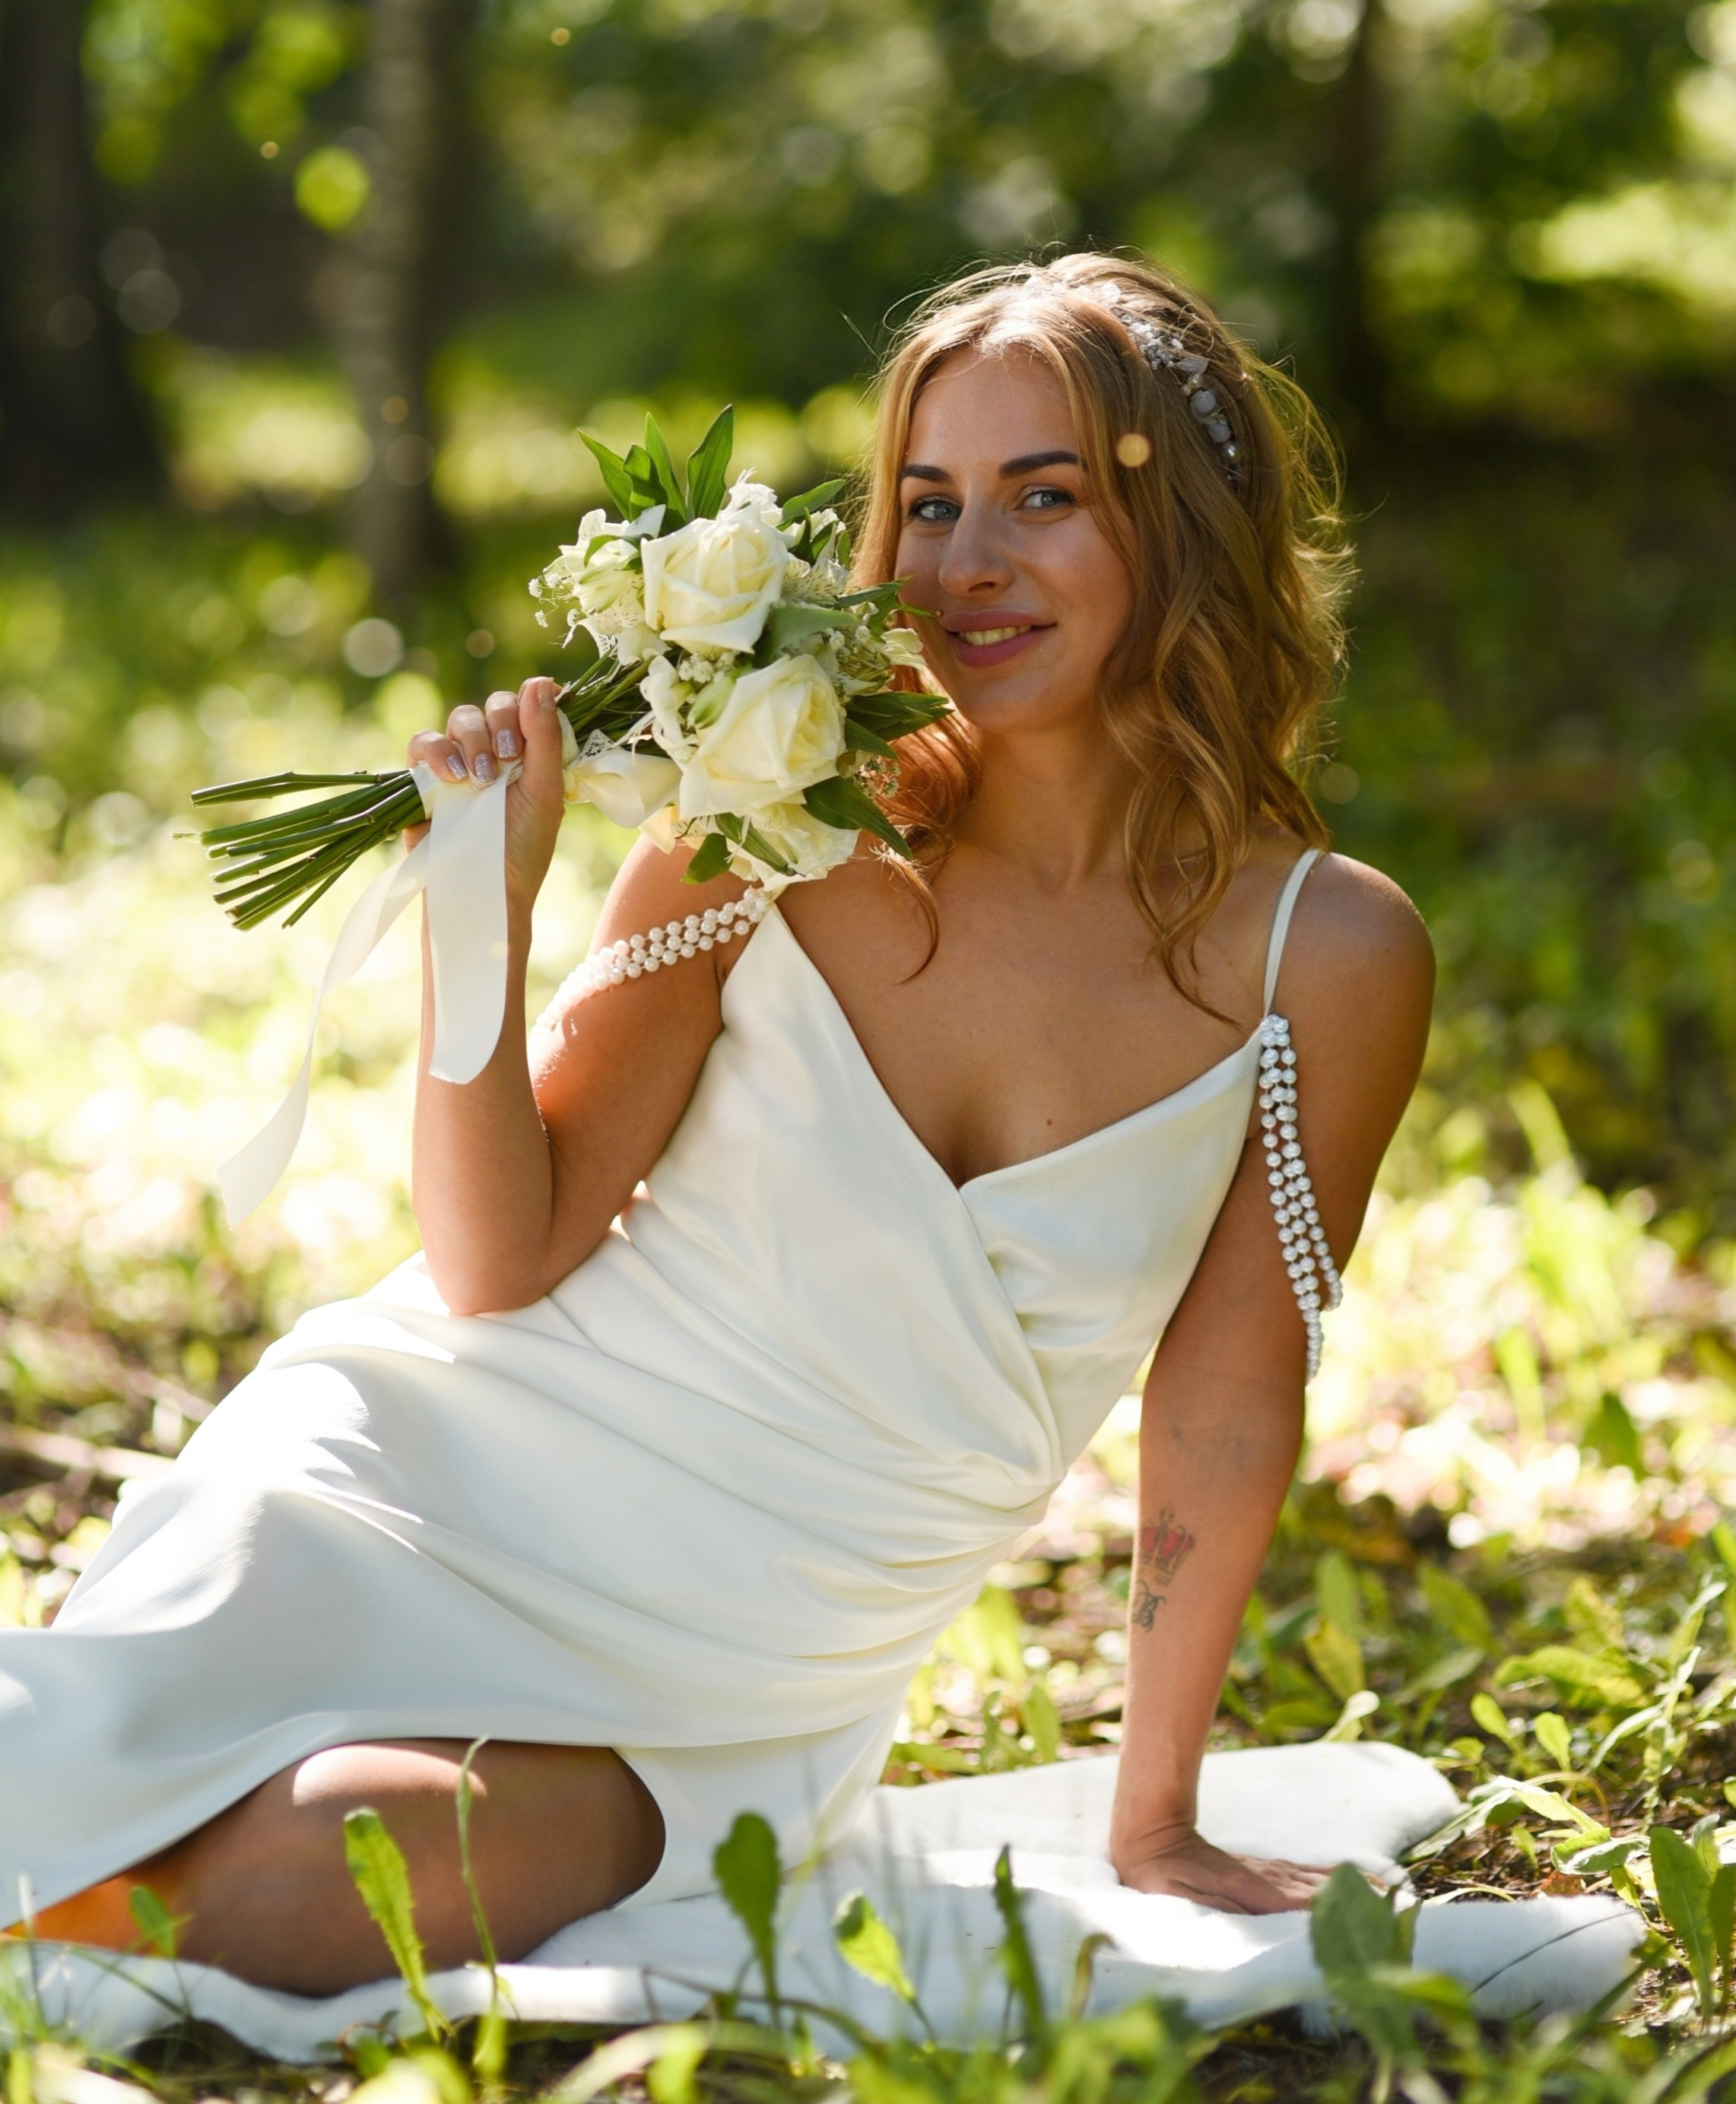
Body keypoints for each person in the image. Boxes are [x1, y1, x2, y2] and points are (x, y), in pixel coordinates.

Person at [1, 252, 1432, 1995]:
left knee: (318, 1882)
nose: (963, 563)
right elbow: (499, 1254)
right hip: (433, 1478)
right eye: (928, 502)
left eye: (1041, 495)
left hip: (739, 1674)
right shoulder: (767, 819)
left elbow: (1223, 1402)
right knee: (79, 1793)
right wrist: (480, 920)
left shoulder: (1324, 958)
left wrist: (1154, 1818)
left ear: (1186, 522)